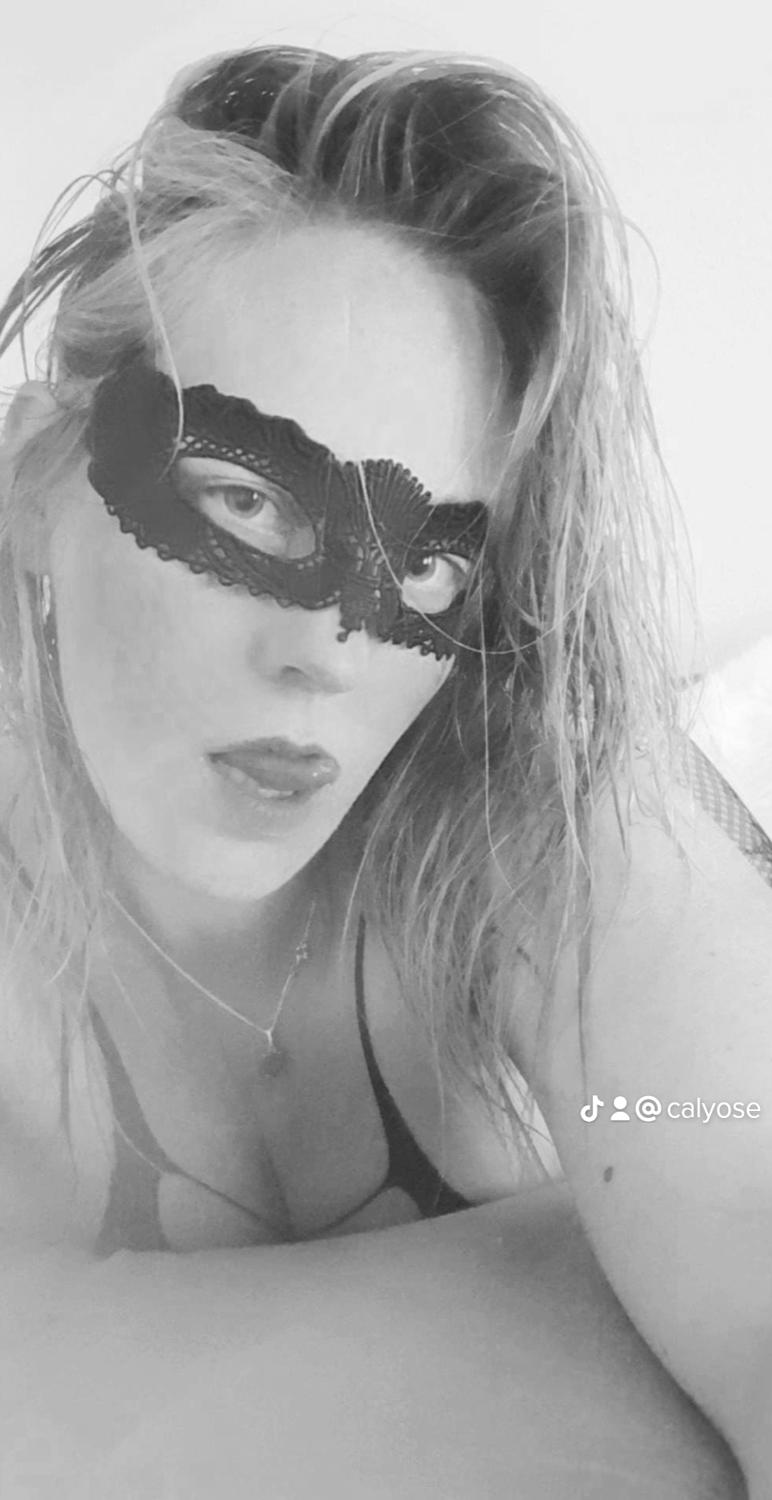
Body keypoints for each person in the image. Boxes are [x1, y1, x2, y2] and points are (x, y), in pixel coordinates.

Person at [1, 43, 771, 1493]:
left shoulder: (538, 788)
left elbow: (741, 1186)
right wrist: (569, 1281)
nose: (330, 654)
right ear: (38, 479)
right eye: (242, 500)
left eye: (423, 565)